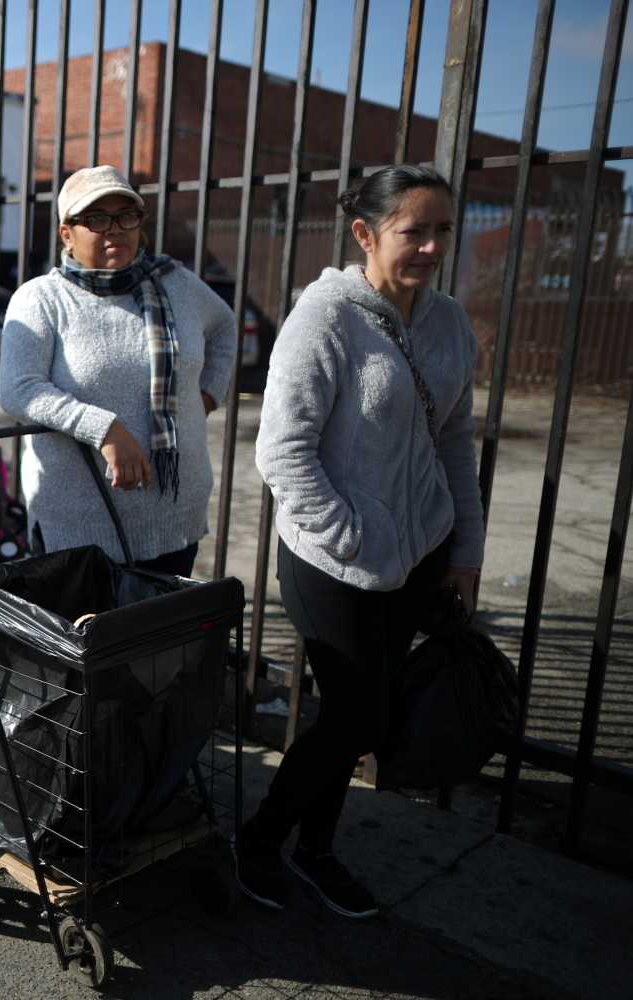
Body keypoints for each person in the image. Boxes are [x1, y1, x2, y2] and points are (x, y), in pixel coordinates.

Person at [239, 165, 485, 919]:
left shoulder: (446, 322)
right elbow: (282, 453)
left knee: (366, 717)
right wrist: (352, 536)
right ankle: (259, 844)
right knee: (354, 716)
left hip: (418, 556)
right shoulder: (325, 318)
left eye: (443, 229)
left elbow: (455, 441)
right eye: (415, 230)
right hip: (333, 560)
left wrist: (464, 549)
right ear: (366, 233)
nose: (432, 246)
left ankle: (317, 852)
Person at [0, 165, 237, 574]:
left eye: (127, 216)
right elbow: (20, 389)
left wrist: (207, 396)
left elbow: (224, 328)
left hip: (175, 515)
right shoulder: (42, 300)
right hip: (80, 528)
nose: (115, 229)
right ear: (66, 235)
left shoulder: (175, 284)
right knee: (88, 635)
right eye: (96, 219)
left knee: (161, 636)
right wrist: (104, 428)